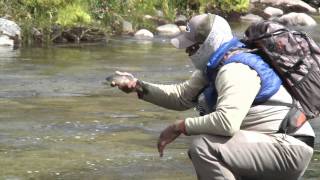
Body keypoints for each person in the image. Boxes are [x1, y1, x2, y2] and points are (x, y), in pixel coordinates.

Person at [111, 13, 315, 180]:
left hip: (287, 147)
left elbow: (227, 123)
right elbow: (181, 97)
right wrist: (138, 87)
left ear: (209, 43)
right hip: (264, 144)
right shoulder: (214, 67)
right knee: (207, 151)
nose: (188, 52)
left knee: (204, 147)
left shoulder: (235, 69)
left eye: (192, 46)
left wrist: (179, 127)